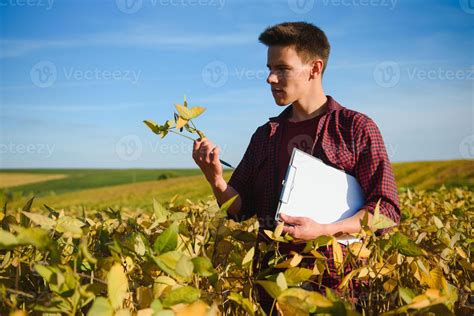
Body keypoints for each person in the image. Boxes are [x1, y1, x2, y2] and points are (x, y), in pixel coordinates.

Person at [192, 21, 400, 312]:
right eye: (269, 68)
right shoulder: (265, 136)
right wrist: (215, 179)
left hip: (337, 290)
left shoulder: (356, 128)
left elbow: (386, 211)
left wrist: (325, 230)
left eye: (282, 69)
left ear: (314, 69)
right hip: (273, 290)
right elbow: (241, 211)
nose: (270, 79)